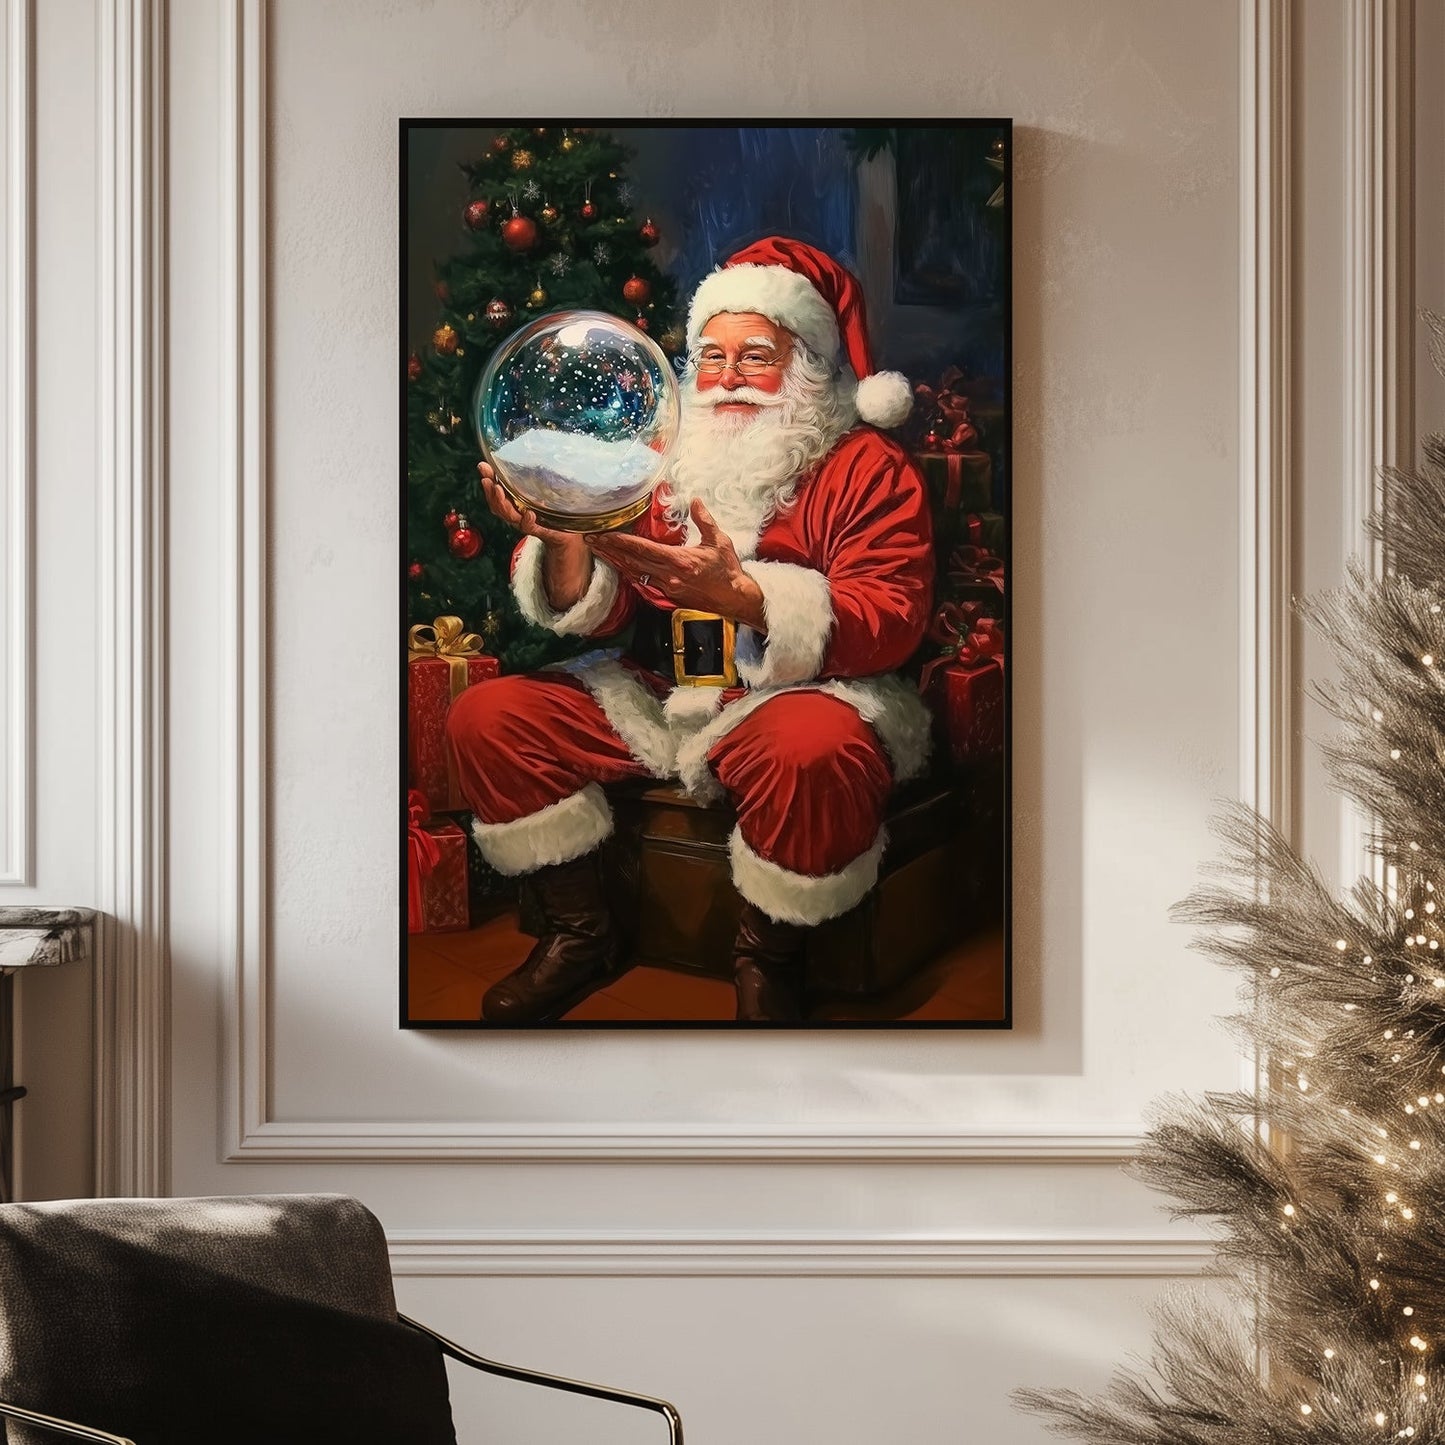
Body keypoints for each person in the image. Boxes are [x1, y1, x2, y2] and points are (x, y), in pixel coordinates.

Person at [445, 235, 935, 1023]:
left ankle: (768, 955)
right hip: (664, 686)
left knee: (814, 751)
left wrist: (746, 598)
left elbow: (889, 617)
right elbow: (598, 611)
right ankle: (579, 935)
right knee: (489, 716)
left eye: (754, 356)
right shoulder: (662, 455)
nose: (727, 377)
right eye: (711, 356)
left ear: (809, 363)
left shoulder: (867, 464)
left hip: (802, 690)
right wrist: (567, 534)